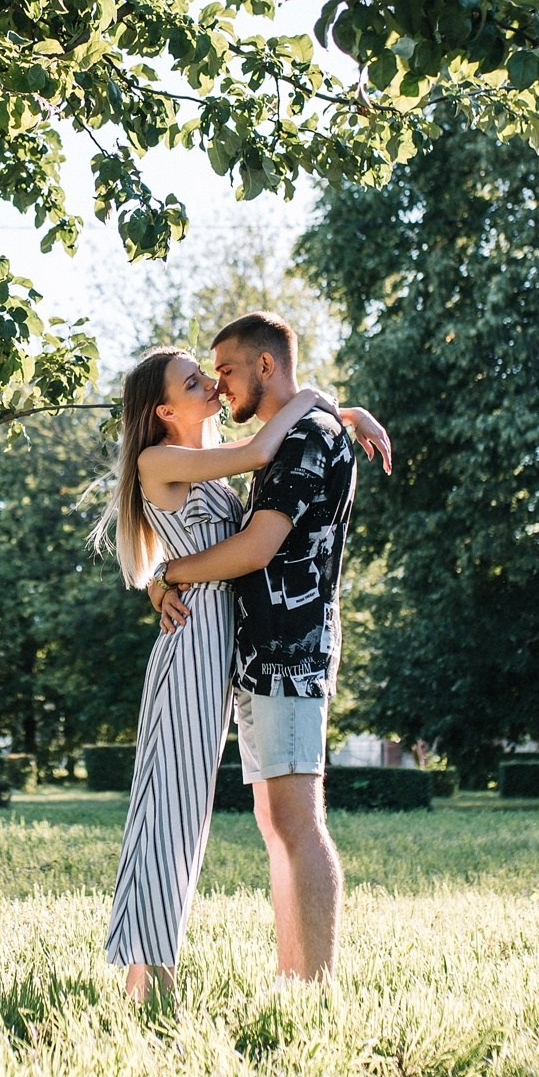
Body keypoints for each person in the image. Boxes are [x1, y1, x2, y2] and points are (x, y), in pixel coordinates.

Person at [98, 341, 387, 1002]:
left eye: (209, 374)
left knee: (186, 813)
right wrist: (319, 398)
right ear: (164, 409)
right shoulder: (159, 458)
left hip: (216, 648)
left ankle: (149, 973)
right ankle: (149, 980)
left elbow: (276, 452)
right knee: (167, 810)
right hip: (188, 646)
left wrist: (343, 413)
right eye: (194, 380)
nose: (211, 384)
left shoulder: (207, 471)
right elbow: (263, 450)